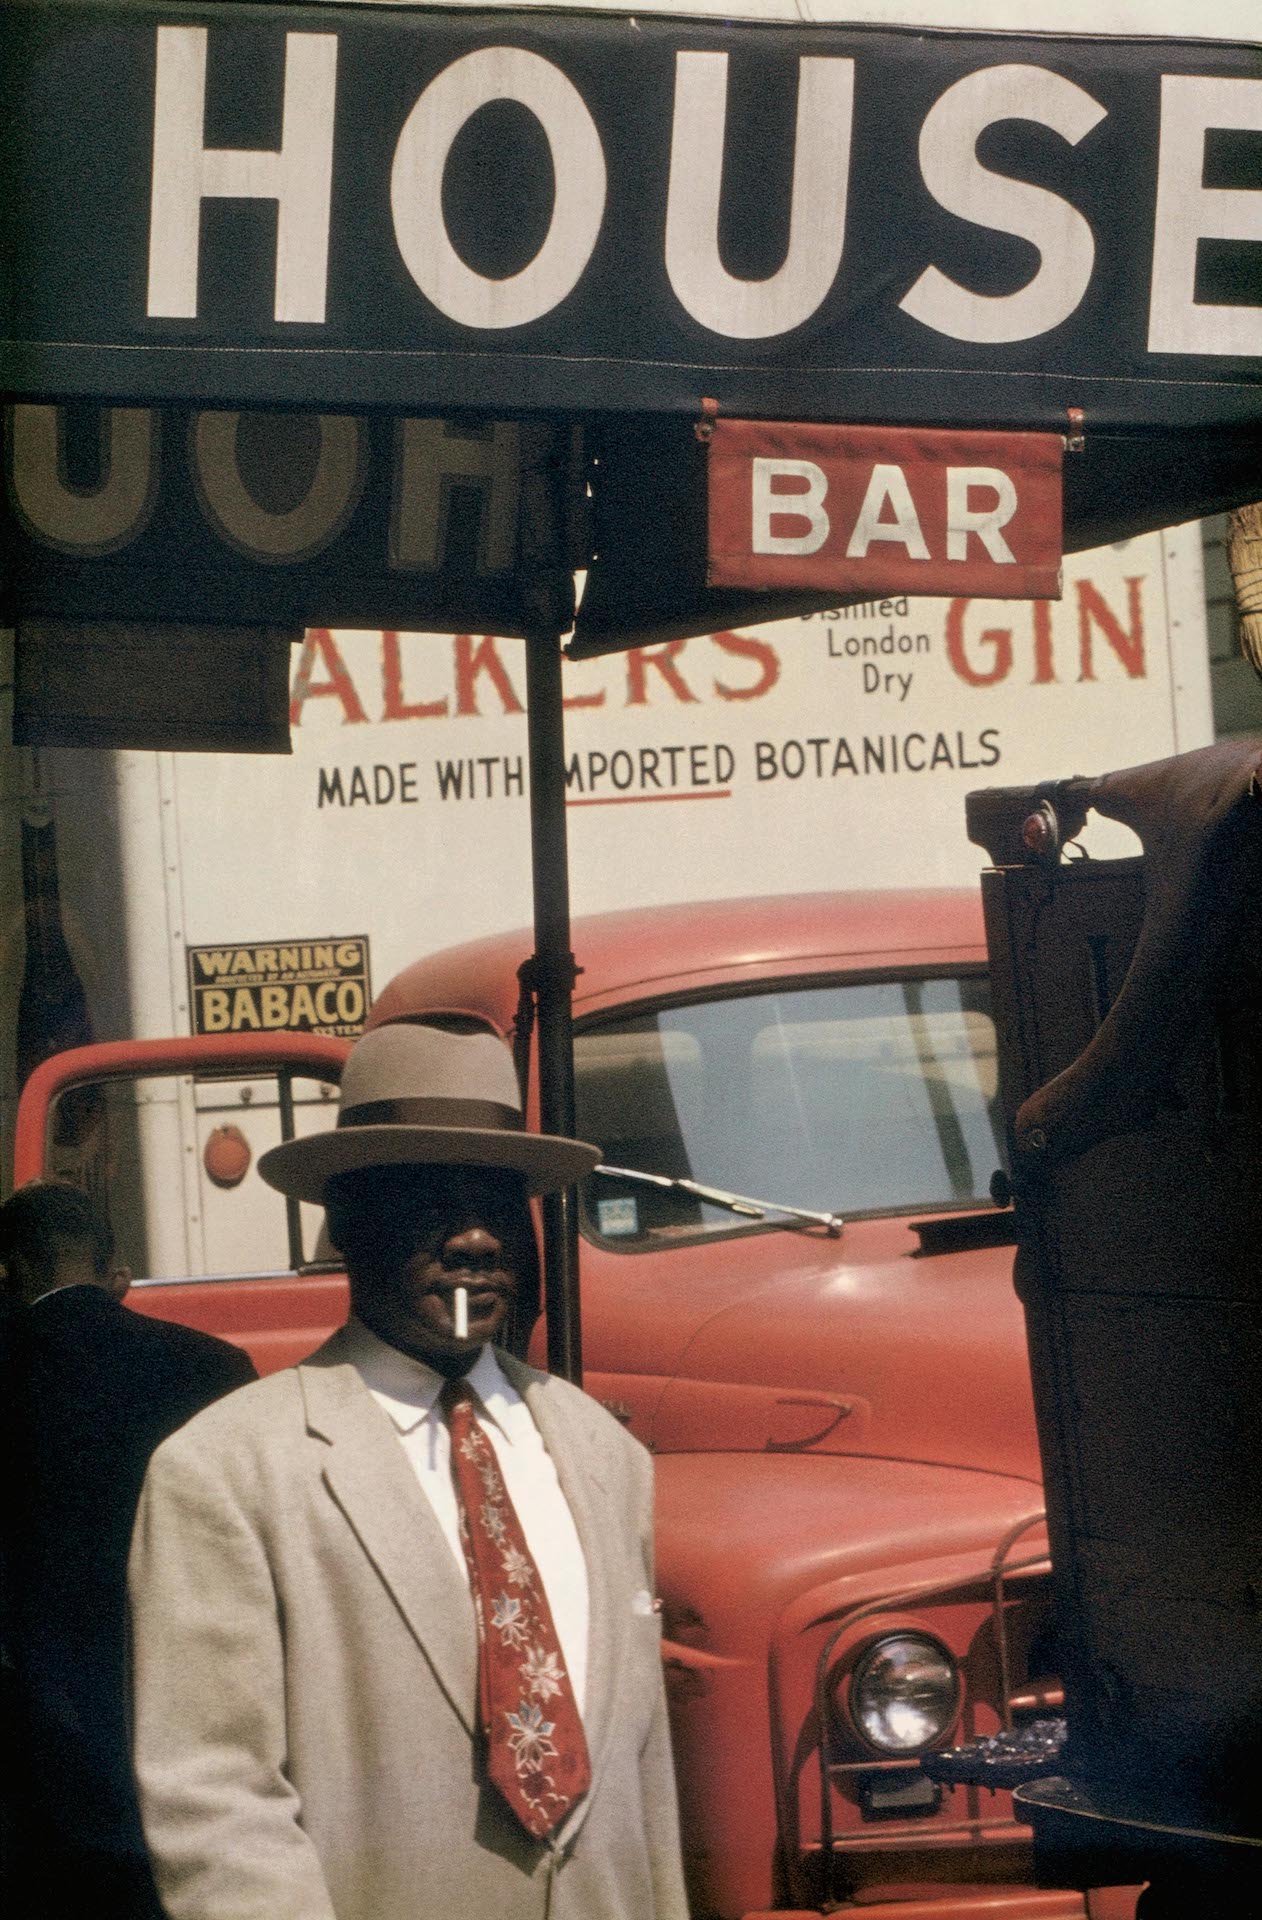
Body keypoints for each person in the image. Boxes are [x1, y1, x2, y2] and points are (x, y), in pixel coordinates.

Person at [127, 1021, 689, 1920]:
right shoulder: (225, 1473)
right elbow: (216, 1809)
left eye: (499, 1201)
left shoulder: (602, 1454)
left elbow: (646, 1776)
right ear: (345, 1220)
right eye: (429, 1197)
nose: (474, 1239)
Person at [0, 1178, 256, 1920]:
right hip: (189, 1704)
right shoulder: (214, 1365)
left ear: (13, 1270)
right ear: (112, 1267)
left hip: (41, 1729)